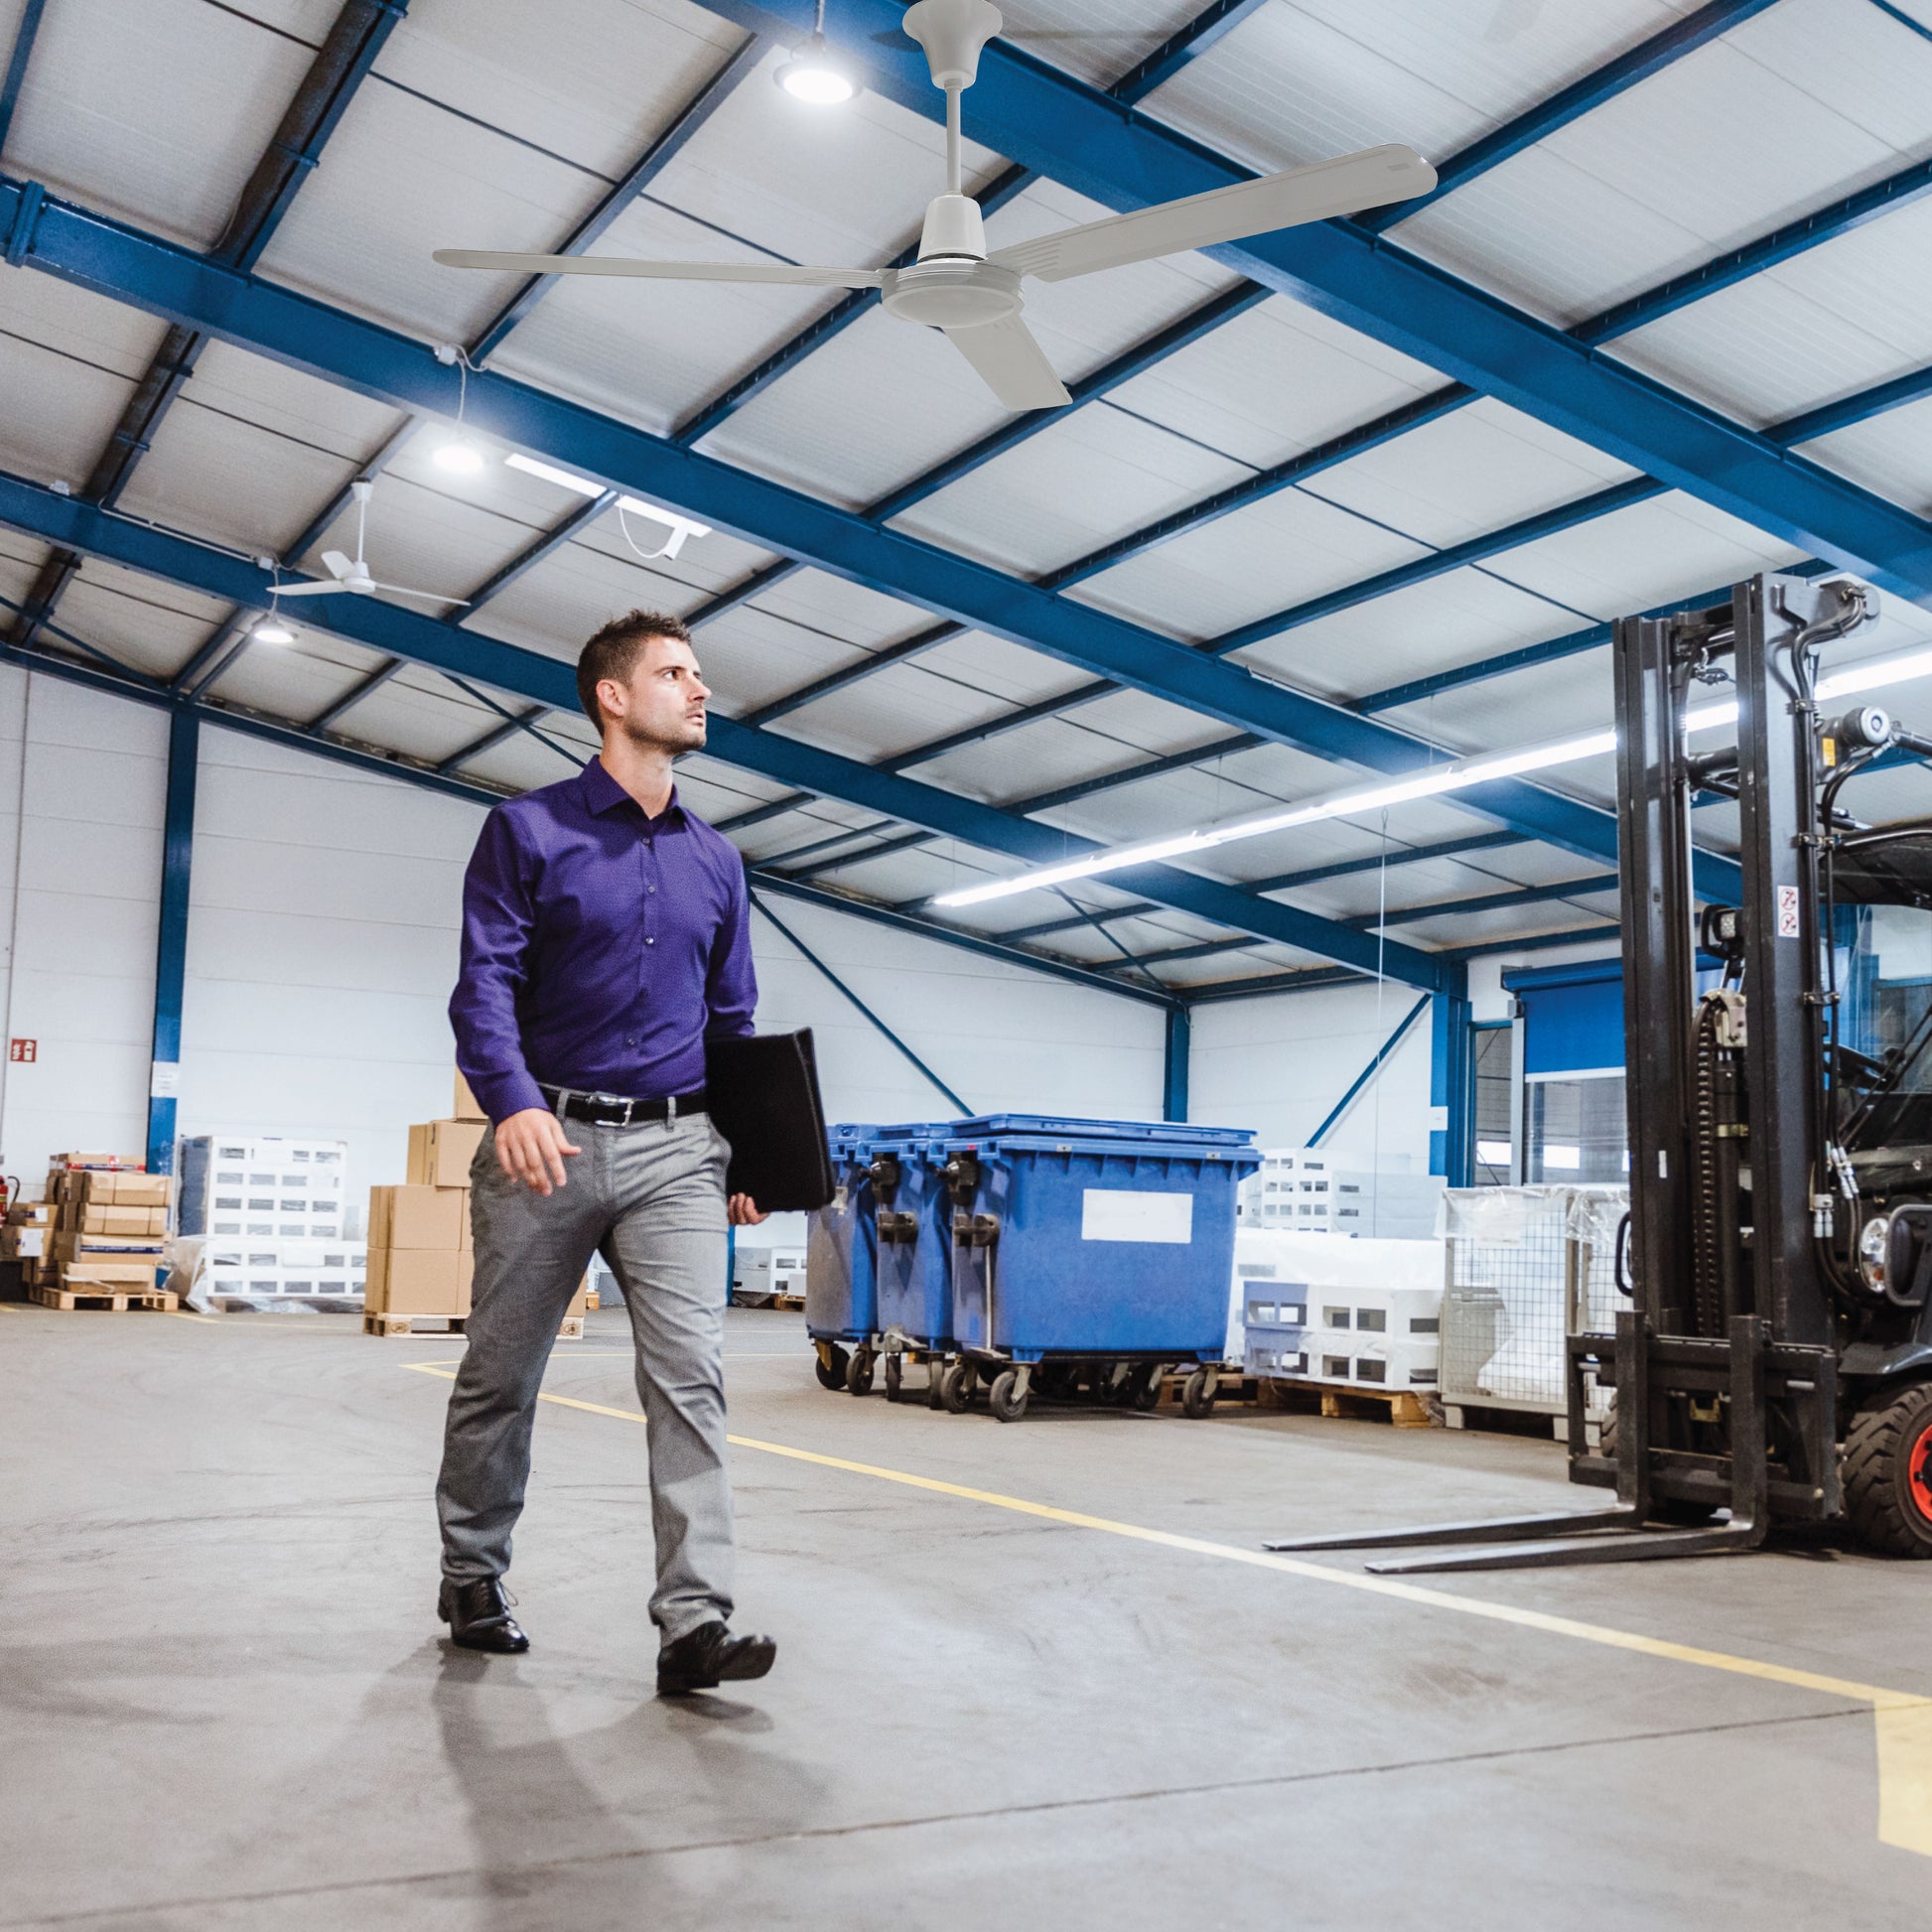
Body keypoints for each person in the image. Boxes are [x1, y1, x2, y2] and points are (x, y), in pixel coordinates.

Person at [435, 607, 776, 1697]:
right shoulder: (527, 831)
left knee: (691, 1380)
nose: (701, 689)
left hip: (680, 1149)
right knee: (501, 1376)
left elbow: (733, 1020)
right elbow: (484, 983)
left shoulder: (717, 860)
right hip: (548, 1143)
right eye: (676, 673)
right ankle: (471, 1574)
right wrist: (512, 1103)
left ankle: (695, 1621)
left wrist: (751, 1153)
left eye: (699, 673)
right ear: (612, 697)